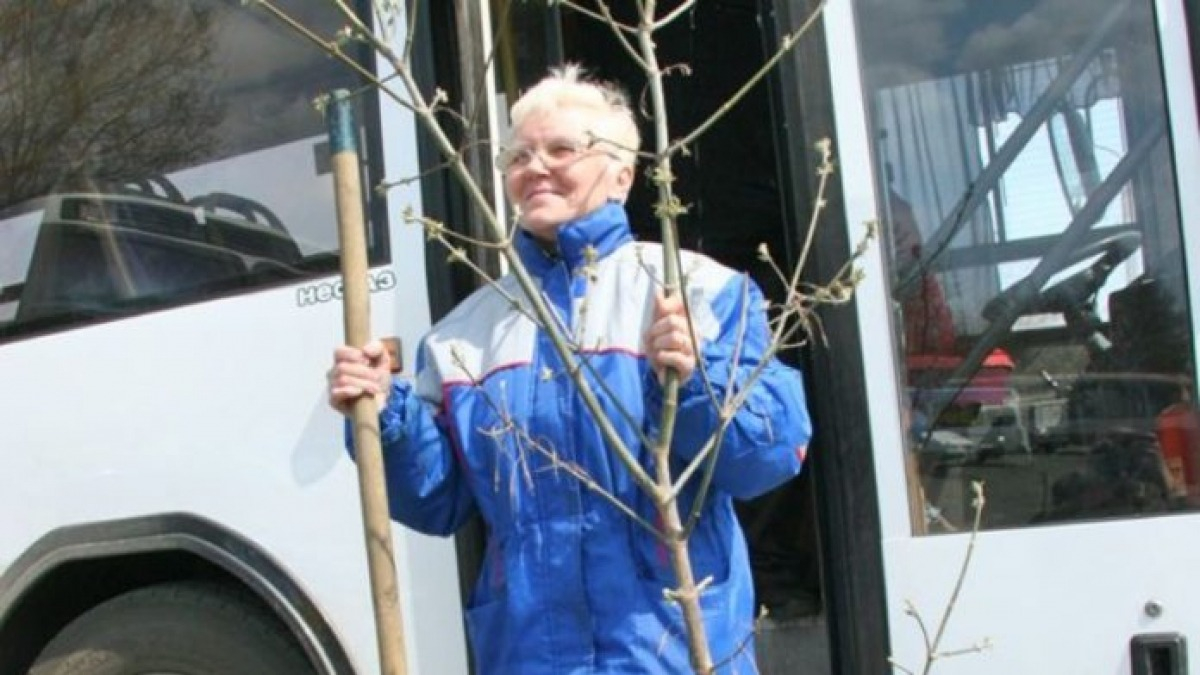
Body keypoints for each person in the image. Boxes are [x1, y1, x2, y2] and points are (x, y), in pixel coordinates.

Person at [327, 64, 812, 675]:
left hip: (673, 652)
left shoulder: (696, 293)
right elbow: (437, 500)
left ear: (622, 176)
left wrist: (698, 376)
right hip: (530, 655)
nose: (535, 168)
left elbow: (768, 459)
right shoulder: (462, 337)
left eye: (561, 149)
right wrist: (386, 416)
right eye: (519, 156)